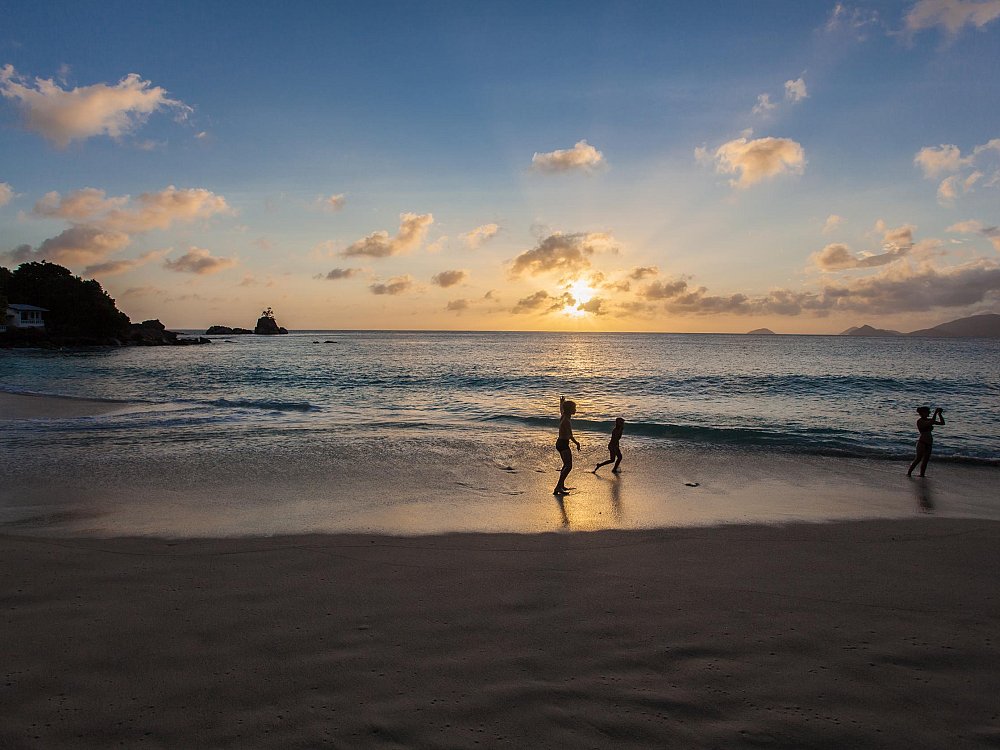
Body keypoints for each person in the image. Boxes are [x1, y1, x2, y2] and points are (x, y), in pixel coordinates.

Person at [907, 406, 945, 478]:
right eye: (927, 412)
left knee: (926, 460)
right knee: (918, 459)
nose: (929, 413)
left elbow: (942, 423)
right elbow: (931, 422)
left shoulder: (928, 420)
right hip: (922, 442)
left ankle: (922, 474)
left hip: (929, 443)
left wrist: (939, 414)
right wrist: (935, 413)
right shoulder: (920, 421)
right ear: (923, 413)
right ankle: (909, 472)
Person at [554, 396, 580, 495]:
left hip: (560, 443)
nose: (575, 410)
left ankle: (561, 485)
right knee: (568, 466)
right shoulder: (567, 421)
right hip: (563, 444)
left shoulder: (564, 416)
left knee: (566, 465)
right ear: (570, 410)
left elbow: (561, 409)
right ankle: (558, 487)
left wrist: (561, 402)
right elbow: (570, 435)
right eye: (574, 408)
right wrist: (577, 443)